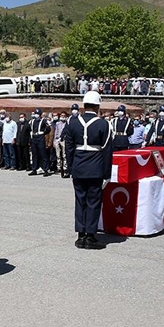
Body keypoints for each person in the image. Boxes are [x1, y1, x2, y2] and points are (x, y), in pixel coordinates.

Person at [64, 91, 112, 250]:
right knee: (93, 202)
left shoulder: (73, 122)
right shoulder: (103, 124)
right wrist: (107, 173)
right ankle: (90, 235)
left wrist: (71, 167)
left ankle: (80, 234)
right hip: (95, 168)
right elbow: (107, 150)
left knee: (80, 201)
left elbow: (69, 147)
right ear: (98, 106)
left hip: (78, 167)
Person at [28, 108, 50, 176]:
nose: (36, 115)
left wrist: (43, 133)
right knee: (34, 154)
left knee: (43, 154)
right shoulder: (32, 121)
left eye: (38, 114)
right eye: (36, 114)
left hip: (40, 138)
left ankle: (46, 169)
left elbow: (48, 128)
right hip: (34, 138)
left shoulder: (43, 121)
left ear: (40, 115)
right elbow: (29, 129)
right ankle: (34, 169)